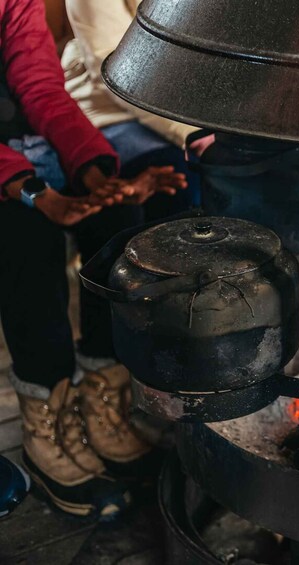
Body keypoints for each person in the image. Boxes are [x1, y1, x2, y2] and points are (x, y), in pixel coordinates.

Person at [0, 0, 185, 519]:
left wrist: (95, 174)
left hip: (21, 148)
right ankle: (45, 419)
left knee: (114, 221)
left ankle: (103, 396)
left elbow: (41, 87)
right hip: (6, 170)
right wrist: (34, 192)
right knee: (26, 240)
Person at [62, 0, 203, 219]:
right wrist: (192, 133)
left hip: (190, 106)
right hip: (111, 108)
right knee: (175, 174)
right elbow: (117, 67)